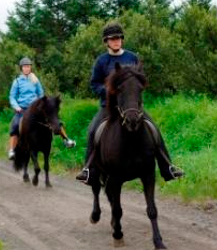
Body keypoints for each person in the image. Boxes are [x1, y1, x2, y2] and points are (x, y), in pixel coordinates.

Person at [75, 22, 184, 184]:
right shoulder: (101, 61)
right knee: (92, 131)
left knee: (154, 129)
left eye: (118, 38)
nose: (116, 41)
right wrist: (108, 92)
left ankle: (167, 167)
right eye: (112, 39)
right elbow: (94, 83)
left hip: (131, 106)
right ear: (106, 42)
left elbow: (140, 79)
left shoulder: (132, 57)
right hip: (109, 107)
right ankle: (89, 170)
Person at [8, 57, 75, 160]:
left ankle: (66, 140)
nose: (27, 68)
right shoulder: (17, 81)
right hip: (23, 109)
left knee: (54, 119)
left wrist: (42, 104)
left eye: (29, 66)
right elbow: (12, 96)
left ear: (31, 68)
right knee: (15, 124)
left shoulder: (35, 79)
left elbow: (41, 94)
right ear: (21, 68)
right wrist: (16, 106)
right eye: (25, 67)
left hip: (36, 109)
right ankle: (12, 150)